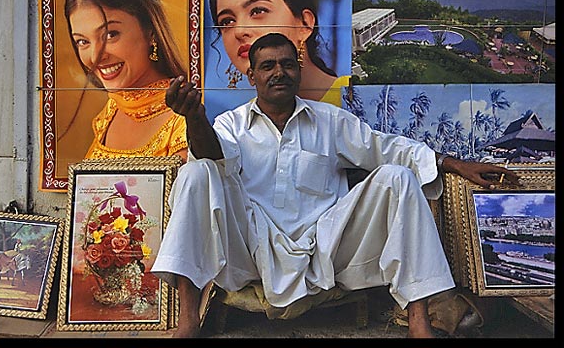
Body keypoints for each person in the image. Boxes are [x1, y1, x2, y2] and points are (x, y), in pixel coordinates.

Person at [151, 33, 519, 338]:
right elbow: (213, 156)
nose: (279, 72)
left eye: (287, 64)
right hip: (250, 246)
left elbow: (386, 148)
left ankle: (419, 321)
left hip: (324, 248)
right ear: (252, 76)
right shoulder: (230, 124)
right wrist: (195, 117)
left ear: (298, 70)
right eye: (268, 66)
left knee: (398, 176)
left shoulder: (330, 120)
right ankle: (188, 322)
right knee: (197, 172)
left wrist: (452, 163)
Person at [64, 0, 190, 162]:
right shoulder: (111, 110)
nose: (95, 56)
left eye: (110, 35)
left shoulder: (184, 115)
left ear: (150, 30)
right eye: (83, 41)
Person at [208, 0, 350, 106]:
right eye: (227, 21)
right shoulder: (242, 121)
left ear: (304, 23)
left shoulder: (352, 98)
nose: (239, 31)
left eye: (258, 11)